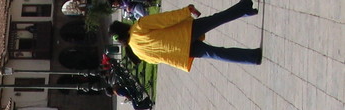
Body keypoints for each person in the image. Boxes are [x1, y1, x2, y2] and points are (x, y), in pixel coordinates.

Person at [110, 0, 261, 71]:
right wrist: (187, 10)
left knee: (217, 53)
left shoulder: (136, 51)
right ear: (123, 26)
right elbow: (165, 19)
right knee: (218, 18)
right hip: (184, 32)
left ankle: (252, 57)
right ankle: (245, 6)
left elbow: (156, 60)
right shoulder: (139, 26)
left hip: (182, 51)